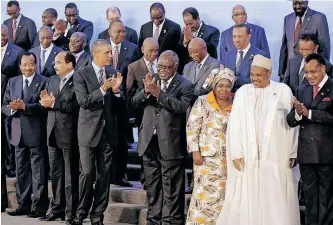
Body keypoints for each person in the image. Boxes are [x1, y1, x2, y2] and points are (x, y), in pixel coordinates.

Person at [217, 54, 300, 225]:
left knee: (275, 196)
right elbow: (235, 125)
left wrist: (292, 151)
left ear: (269, 73)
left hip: (275, 154)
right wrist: (236, 153)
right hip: (248, 155)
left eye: (259, 75)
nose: (254, 79)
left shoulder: (283, 91)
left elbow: (292, 123)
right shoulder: (242, 92)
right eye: (252, 74)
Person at [132, 50, 194, 225]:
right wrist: (145, 91)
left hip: (170, 142)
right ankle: (154, 219)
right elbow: (134, 103)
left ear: (175, 67)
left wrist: (160, 95)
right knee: (152, 185)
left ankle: (171, 221)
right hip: (148, 141)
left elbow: (181, 108)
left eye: (166, 67)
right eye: (159, 66)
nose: (162, 70)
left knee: (172, 187)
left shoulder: (185, 85)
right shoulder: (150, 78)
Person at [72, 39, 123, 225]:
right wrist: (103, 89)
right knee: (86, 173)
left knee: (104, 175)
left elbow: (119, 106)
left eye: (111, 52)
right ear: (95, 54)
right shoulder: (81, 74)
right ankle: (81, 213)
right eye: (107, 52)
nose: (111, 55)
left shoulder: (112, 73)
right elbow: (83, 101)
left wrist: (117, 91)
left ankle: (97, 215)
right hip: (87, 132)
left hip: (107, 132)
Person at [287, 53, 333, 225]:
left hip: (327, 154)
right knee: (310, 198)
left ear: (323, 68)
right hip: (306, 154)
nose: (310, 76)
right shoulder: (301, 89)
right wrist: (298, 114)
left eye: (313, 71)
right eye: (306, 72)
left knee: (326, 198)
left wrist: (310, 113)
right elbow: (290, 121)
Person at [2, 52, 49, 218]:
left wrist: (25, 107)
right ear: (20, 66)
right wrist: (13, 108)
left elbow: (45, 106)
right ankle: (23, 205)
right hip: (17, 133)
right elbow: (4, 107)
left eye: (31, 64)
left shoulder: (44, 81)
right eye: (25, 65)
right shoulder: (12, 81)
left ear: (35, 65)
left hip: (36, 132)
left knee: (39, 173)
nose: (28, 68)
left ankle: (39, 207)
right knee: (21, 171)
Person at [186, 68, 235, 225]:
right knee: (202, 196)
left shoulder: (237, 103)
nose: (224, 89)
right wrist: (195, 152)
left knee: (223, 197)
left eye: (228, 86)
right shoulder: (202, 101)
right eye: (220, 85)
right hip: (206, 159)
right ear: (214, 86)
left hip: (228, 160)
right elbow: (192, 127)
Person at [39, 51, 79, 225]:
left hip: (70, 133)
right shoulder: (52, 80)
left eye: (58, 62)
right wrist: (45, 102)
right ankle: (57, 209)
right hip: (52, 132)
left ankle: (71, 212)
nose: (54, 65)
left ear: (69, 64)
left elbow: (75, 105)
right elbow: (47, 103)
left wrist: (53, 104)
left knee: (70, 175)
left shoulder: (78, 79)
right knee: (55, 174)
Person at [107, 19, 140, 187]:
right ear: (109, 32)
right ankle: (106, 174)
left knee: (122, 141)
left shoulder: (132, 48)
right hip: (105, 100)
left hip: (123, 101)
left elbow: (134, 77)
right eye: (118, 32)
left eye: (123, 31)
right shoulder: (101, 48)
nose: (122, 34)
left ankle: (119, 176)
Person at [279, 0, 330, 80]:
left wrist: (321, 72)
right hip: (291, 73)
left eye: (301, 3)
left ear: (307, 2)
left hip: (311, 72)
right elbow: (284, 47)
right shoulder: (287, 19)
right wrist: (281, 72)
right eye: (295, 3)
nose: (298, 6)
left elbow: (324, 48)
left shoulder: (319, 18)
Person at [1, 24, 24, 178]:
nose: (2, 38)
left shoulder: (17, 52)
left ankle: (10, 166)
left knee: (7, 135)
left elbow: (18, 78)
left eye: (4, 35)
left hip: (7, 99)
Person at [223, 24, 268, 91]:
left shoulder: (260, 55)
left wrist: (234, 80)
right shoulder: (228, 55)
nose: (236, 40)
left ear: (249, 36)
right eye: (234, 36)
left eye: (240, 36)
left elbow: (260, 80)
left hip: (250, 95)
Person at [178, 7, 220, 72]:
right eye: (186, 24)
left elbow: (212, 50)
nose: (189, 27)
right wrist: (185, 43)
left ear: (198, 19)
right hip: (190, 70)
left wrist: (192, 38)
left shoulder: (213, 31)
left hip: (208, 68)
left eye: (191, 23)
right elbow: (180, 54)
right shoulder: (184, 32)